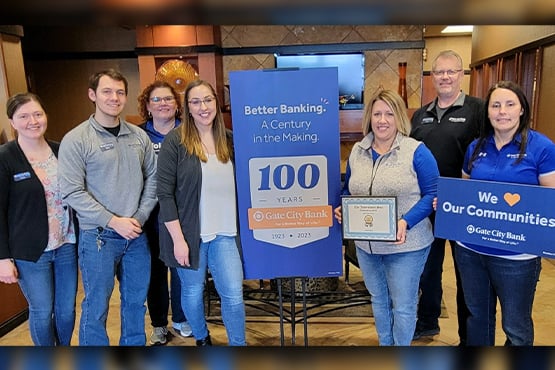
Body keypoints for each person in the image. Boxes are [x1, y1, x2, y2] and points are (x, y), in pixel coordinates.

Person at [58, 69, 158, 345]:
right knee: (96, 306)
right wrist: (113, 221)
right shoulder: (77, 139)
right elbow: (71, 191)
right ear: (92, 95)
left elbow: (153, 180)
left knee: (136, 304)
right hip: (98, 238)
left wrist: (138, 217)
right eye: (107, 91)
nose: (114, 97)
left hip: (136, 236)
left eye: (120, 92)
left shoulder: (139, 137)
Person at [334, 89, 439, 346]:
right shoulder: (358, 151)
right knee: (378, 300)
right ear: (369, 117)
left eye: (389, 114)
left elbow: (433, 194)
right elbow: (350, 189)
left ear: (399, 117)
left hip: (406, 245)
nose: (382, 120)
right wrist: (343, 208)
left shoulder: (417, 151)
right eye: (378, 113)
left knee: (403, 306)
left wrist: (406, 221)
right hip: (367, 246)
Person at [454, 80, 555, 345]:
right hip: (471, 251)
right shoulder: (476, 146)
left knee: (516, 326)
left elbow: (550, 201)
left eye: (510, 104)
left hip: (517, 256)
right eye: (496, 105)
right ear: (487, 112)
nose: (502, 111)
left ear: (522, 109)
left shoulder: (542, 148)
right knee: (477, 317)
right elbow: (464, 190)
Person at [157, 79, 246, 346]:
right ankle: (201, 337)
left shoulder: (231, 139)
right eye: (195, 102)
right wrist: (178, 240)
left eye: (207, 100)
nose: (203, 107)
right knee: (193, 293)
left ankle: (238, 345)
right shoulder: (175, 141)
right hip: (189, 235)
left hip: (226, 233)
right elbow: (164, 193)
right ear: (186, 107)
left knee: (233, 294)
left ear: (216, 103)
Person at [410, 49, 483, 343]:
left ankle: (469, 335)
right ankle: (427, 321)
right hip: (428, 204)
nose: (445, 77)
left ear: (462, 75)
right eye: (439, 72)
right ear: (432, 77)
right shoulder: (420, 115)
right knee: (428, 268)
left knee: (467, 272)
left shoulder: (478, 110)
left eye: (451, 71)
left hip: (463, 206)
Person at [0, 93, 78, 345]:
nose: (32, 121)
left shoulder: (61, 150)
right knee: (42, 312)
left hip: (66, 244)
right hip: (31, 252)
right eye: (23, 116)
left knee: (66, 311)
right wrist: (2, 258)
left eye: (37, 114)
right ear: (12, 121)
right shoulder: (5, 157)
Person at [137, 80, 193, 345]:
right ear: (147, 106)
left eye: (168, 99)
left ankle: (182, 318)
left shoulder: (189, 133)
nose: (163, 104)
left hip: (183, 213)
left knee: (182, 266)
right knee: (155, 270)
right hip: (149, 214)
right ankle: (159, 323)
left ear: (177, 104)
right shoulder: (137, 136)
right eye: (156, 100)